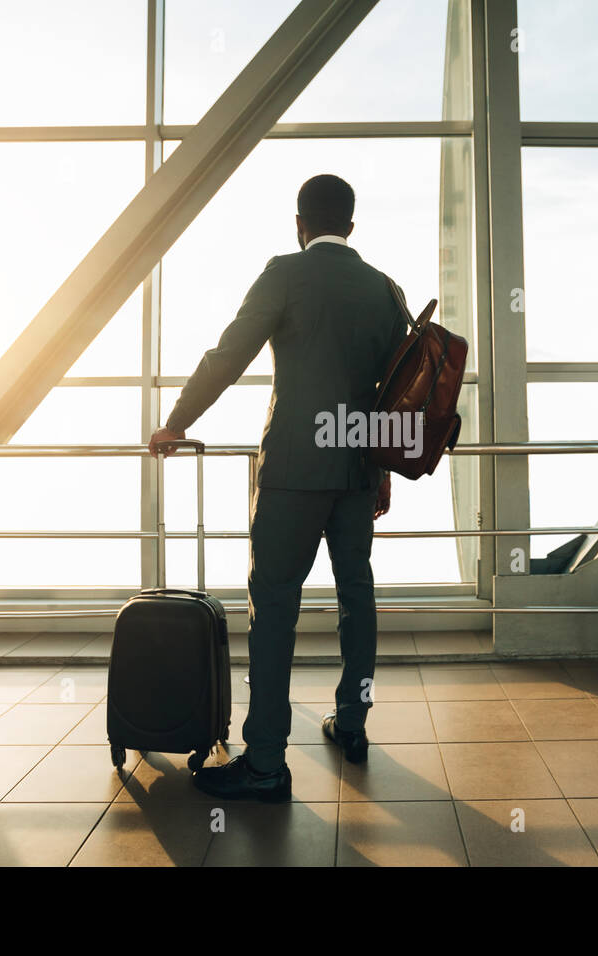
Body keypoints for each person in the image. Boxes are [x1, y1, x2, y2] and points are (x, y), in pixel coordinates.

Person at [148, 174, 408, 802]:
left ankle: (266, 760)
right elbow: (391, 392)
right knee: (357, 600)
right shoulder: (386, 291)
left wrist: (178, 421)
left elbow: (228, 354)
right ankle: (352, 724)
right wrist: (377, 473)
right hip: (355, 473)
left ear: (300, 223)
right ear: (351, 225)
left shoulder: (285, 273)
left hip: (293, 471)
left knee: (274, 611)